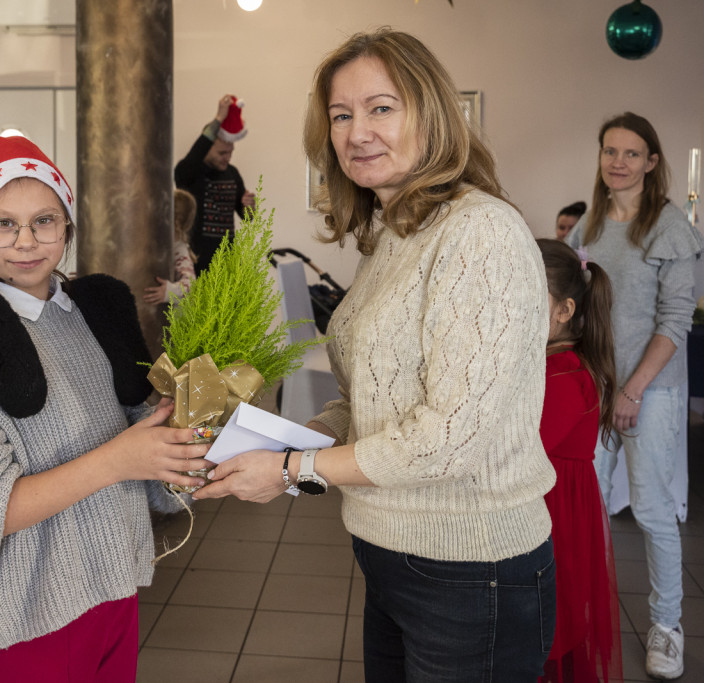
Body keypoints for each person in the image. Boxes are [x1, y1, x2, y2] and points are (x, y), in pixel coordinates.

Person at [194, 28, 557, 681]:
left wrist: (287, 471)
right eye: (341, 114)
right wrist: (285, 444)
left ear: (433, 115)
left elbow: (443, 442)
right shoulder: (392, 233)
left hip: (470, 572)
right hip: (389, 553)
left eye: (381, 108)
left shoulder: (477, 231)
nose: (357, 130)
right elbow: (365, 400)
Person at [0, 135, 211, 681]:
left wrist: (171, 435)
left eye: (44, 221)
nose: (26, 241)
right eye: (2, 224)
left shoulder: (84, 317)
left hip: (115, 589)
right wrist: (118, 459)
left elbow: (128, 439)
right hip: (28, 613)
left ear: (67, 228)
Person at [566, 112, 702, 680]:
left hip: (652, 393)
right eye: (609, 151)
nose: (618, 162)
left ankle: (666, 629)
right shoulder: (589, 226)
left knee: (651, 512)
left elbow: (675, 322)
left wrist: (633, 389)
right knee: (588, 511)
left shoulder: (670, 228)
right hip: (595, 390)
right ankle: (586, 617)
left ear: (651, 162)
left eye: (630, 153)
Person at [536, 238, 623, 683]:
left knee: (549, 625)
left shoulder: (566, 374)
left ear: (563, 310)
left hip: (556, 515)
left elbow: (526, 451)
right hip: (550, 505)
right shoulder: (550, 364)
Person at [174, 94, 255, 274]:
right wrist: (219, 118)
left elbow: (247, 217)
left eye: (230, 152)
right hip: (196, 260)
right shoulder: (188, 173)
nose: (228, 157)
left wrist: (250, 207)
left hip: (227, 262)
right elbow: (195, 155)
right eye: (222, 153)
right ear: (207, 147)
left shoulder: (232, 173)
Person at [143, 187, 197, 304]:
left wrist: (170, 292)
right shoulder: (162, 243)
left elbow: (190, 283)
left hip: (176, 318)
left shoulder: (179, 248)